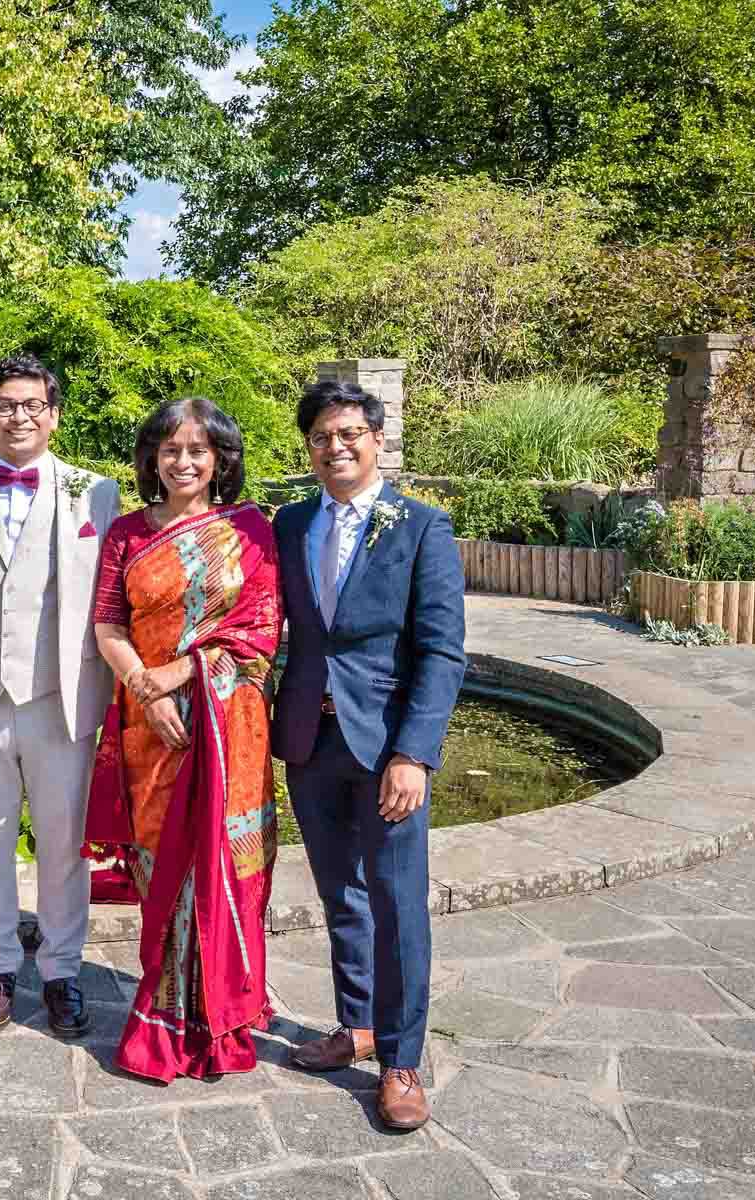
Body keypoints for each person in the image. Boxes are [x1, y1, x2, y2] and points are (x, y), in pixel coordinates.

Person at [272, 380, 466, 1131]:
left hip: (387, 748)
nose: (336, 446)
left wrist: (414, 753)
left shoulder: (421, 527)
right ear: (310, 447)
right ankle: (355, 1026)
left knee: (396, 903)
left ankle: (401, 1059)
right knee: (339, 895)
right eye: (321, 436)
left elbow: (443, 652)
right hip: (310, 743)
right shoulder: (290, 525)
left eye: (349, 433)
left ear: (377, 439)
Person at [83, 397, 281, 1082]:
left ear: (221, 459)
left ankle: (221, 1012)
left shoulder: (251, 531)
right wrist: (146, 688)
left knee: (220, 869)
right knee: (159, 872)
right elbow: (107, 624)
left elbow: (259, 634)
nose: (184, 462)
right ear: (152, 459)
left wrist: (176, 679)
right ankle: (165, 1012)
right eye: (170, 450)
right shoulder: (127, 535)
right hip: (150, 730)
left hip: (229, 727)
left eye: (198, 450)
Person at [0, 354, 120, 1038]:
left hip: (62, 695)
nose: (20, 417)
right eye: (6, 405)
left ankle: (63, 969)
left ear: (54, 415)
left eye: (33, 405)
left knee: (64, 843)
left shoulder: (97, 492)